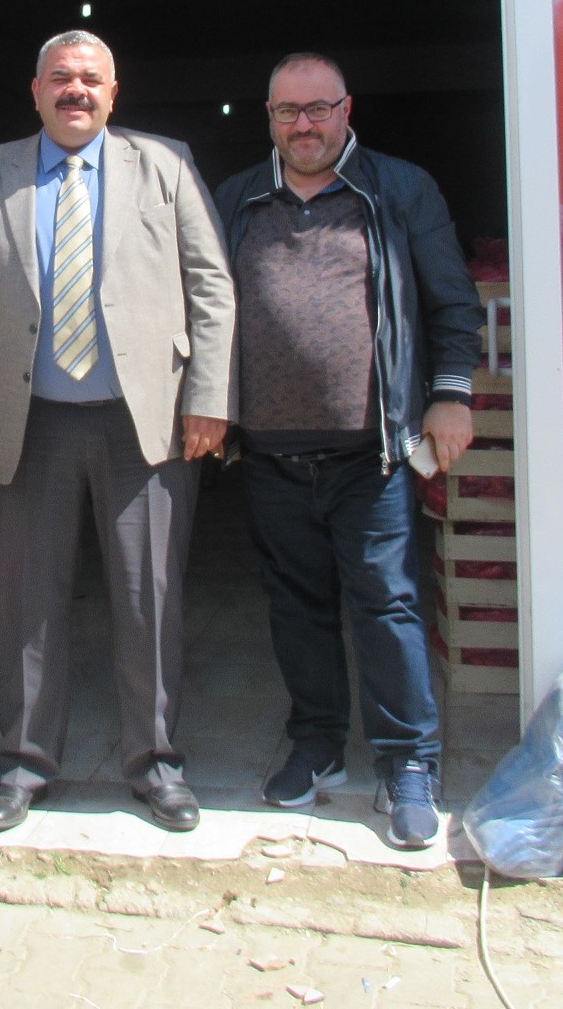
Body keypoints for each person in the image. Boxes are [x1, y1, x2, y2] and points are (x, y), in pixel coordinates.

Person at [0, 30, 236, 834]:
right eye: (60, 78)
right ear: (33, 90)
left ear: (114, 91)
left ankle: (157, 765)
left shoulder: (163, 166)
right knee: (26, 605)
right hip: (24, 427)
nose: (76, 91)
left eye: (90, 79)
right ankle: (24, 765)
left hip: (144, 428)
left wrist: (207, 398)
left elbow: (210, 285)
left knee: (150, 602)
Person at [214, 52, 484, 850]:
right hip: (267, 453)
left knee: (386, 605)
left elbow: (452, 301)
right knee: (295, 608)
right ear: (267, 117)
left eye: (318, 108)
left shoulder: (398, 189)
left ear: (345, 109)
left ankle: (408, 763)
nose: (303, 124)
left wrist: (450, 393)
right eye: (287, 111)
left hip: (374, 455)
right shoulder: (235, 199)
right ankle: (317, 743)